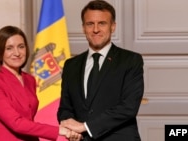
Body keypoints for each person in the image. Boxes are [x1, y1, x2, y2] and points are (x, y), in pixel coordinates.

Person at [57, 0, 144, 141]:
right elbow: (65, 107)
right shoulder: (71, 65)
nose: (95, 29)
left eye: (102, 23)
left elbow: (129, 107)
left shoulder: (131, 60)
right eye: (90, 24)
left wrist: (86, 126)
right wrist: (69, 126)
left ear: (113, 27)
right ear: (83, 28)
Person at [0, 25, 81, 141]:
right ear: (0, 52)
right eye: (9, 48)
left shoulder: (30, 79)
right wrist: (59, 130)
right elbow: (16, 123)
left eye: (21, 47)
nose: (17, 53)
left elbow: (28, 119)